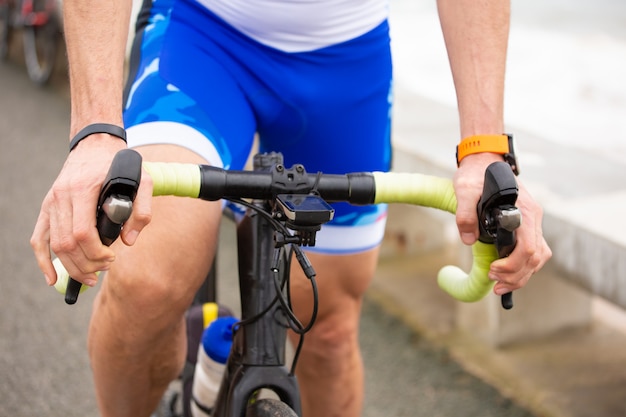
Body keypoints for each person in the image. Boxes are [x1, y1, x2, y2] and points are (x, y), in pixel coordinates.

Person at [31, 0, 551, 416]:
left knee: (328, 328)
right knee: (148, 281)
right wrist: (96, 133)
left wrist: (485, 150)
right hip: (200, 36)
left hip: (344, 59)